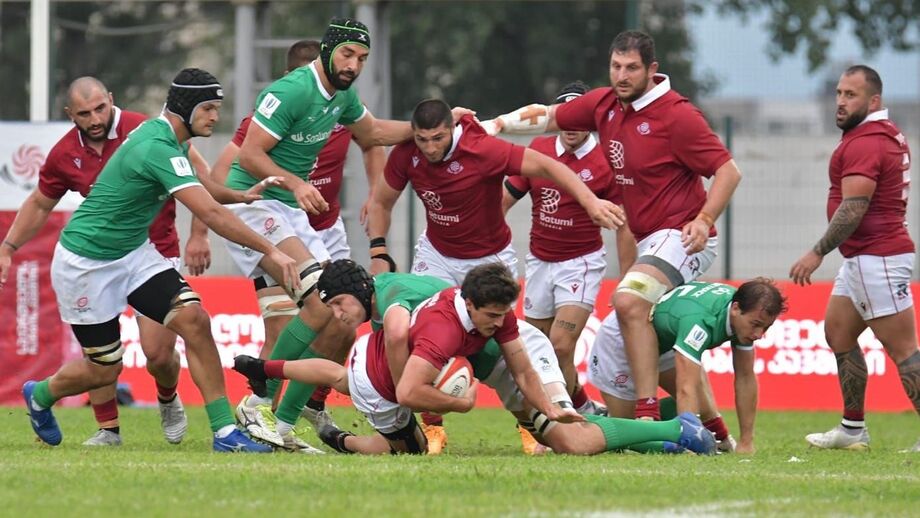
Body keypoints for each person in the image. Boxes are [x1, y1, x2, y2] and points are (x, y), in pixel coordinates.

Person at [221, 18, 475, 453]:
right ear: (327, 49)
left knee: (340, 315)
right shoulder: (290, 91)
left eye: (361, 58)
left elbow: (373, 133)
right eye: (347, 54)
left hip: (292, 212)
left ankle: (282, 425)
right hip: (255, 203)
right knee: (321, 300)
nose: (354, 65)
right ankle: (257, 399)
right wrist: (297, 183)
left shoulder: (343, 94)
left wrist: (437, 126)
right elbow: (248, 153)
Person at [20, 68, 302, 453]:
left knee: (194, 320)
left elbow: (202, 190)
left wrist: (239, 196)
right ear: (185, 108)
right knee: (104, 368)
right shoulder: (157, 146)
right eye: (208, 108)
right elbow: (212, 216)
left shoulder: (169, 139)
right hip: (85, 263)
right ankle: (41, 395)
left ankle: (223, 433)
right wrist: (272, 250)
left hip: (135, 254)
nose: (215, 117)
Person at [485, 30, 741, 420]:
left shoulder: (677, 115)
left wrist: (705, 219)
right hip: (648, 245)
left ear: (652, 70)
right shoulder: (604, 104)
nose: (622, 76)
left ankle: (647, 411)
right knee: (616, 337)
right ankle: (706, 429)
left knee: (628, 301)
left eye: (632, 68)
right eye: (616, 66)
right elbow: (549, 116)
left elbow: (728, 171)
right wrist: (494, 124)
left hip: (684, 237)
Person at [233, 261, 716, 456]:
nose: (338, 315)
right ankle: (664, 438)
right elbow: (321, 349)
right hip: (483, 360)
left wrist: (543, 406)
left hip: (512, 354)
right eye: (333, 307)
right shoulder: (433, 321)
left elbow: (520, 362)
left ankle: (678, 429)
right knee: (576, 438)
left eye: (339, 305)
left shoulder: (411, 307)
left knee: (572, 439)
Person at [365, 97, 624, 451]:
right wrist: (379, 250)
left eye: (437, 138)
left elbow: (548, 166)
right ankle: (431, 427)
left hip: (488, 259)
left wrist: (591, 202)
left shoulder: (481, 148)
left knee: (501, 340)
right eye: (422, 140)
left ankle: (527, 421)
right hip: (436, 254)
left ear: (452, 130)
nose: (429, 148)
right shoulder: (408, 153)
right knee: (419, 333)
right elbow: (380, 201)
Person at [0, 77, 211, 447]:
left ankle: (167, 397)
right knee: (100, 356)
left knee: (159, 353)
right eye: (84, 113)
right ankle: (108, 429)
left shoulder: (146, 128)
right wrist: (8, 247)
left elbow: (200, 175)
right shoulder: (65, 153)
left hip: (154, 251)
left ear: (111, 99)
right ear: (71, 115)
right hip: (98, 258)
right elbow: (39, 203)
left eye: (100, 108)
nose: (95, 118)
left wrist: (199, 234)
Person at [210, 39, 384, 438]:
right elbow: (227, 169)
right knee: (293, 322)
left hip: (322, 228)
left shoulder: (340, 107)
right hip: (272, 222)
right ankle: (260, 407)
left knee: (344, 316)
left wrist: (377, 192)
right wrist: (203, 229)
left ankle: (305, 407)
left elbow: (373, 140)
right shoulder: (276, 110)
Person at [789, 65, 920, 453]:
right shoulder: (881, 134)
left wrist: (817, 252)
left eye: (851, 95)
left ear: (873, 100)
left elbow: (853, 208)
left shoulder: (866, 141)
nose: (841, 102)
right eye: (839, 94)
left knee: (904, 349)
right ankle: (852, 429)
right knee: (839, 333)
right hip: (865, 258)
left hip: (876, 258)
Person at [502, 80, 636, 418]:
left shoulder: (606, 160)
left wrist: (628, 278)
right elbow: (503, 201)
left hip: (581, 263)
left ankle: (559, 421)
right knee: (534, 350)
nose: (572, 127)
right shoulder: (538, 150)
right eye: (566, 118)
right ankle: (581, 407)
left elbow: (624, 225)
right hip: (538, 262)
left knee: (560, 345)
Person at [590, 279, 788, 454]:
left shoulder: (744, 314)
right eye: (756, 325)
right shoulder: (700, 321)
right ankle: (598, 418)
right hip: (621, 341)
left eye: (766, 327)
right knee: (628, 434)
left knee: (701, 403)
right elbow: (686, 387)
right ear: (735, 309)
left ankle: (722, 440)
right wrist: (689, 442)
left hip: (665, 338)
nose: (759, 334)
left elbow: (745, 377)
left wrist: (746, 442)